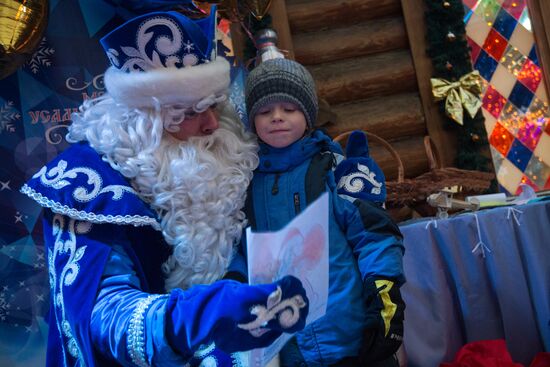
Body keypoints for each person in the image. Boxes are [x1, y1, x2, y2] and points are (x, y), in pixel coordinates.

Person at [20, 10, 309, 367]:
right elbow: (103, 314)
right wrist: (192, 319)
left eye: (214, 105)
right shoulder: (86, 186)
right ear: (145, 120)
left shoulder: (231, 154)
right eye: (189, 113)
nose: (212, 125)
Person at [241, 55, 406, 366]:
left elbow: (375, 236)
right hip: (287, 346)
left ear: (308, 114)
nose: (277, 117)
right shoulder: (245, 183)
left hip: (349, 336)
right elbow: (241, 250)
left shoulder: (333, 169)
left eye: (289, 108)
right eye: (265, 111)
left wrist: (385, 299)